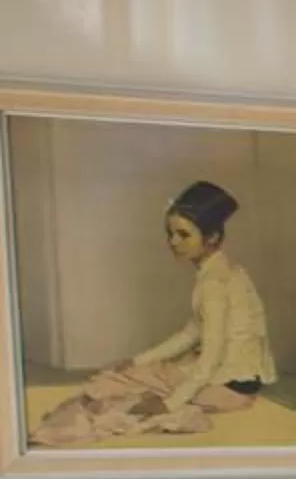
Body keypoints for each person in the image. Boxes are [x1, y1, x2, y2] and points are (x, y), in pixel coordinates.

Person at [33, 179, 279, 446]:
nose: (173, 242)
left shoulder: (214, 282)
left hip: (228, 389)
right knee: (135, 373)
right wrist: (138, 360)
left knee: (114, 387)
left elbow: (212, 355)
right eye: (170, 233)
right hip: (233, 384)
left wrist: (170, 403)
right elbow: (192, 332)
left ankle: (63, 429)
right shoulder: (222, 271)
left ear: (212, 237)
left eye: (183, 235)